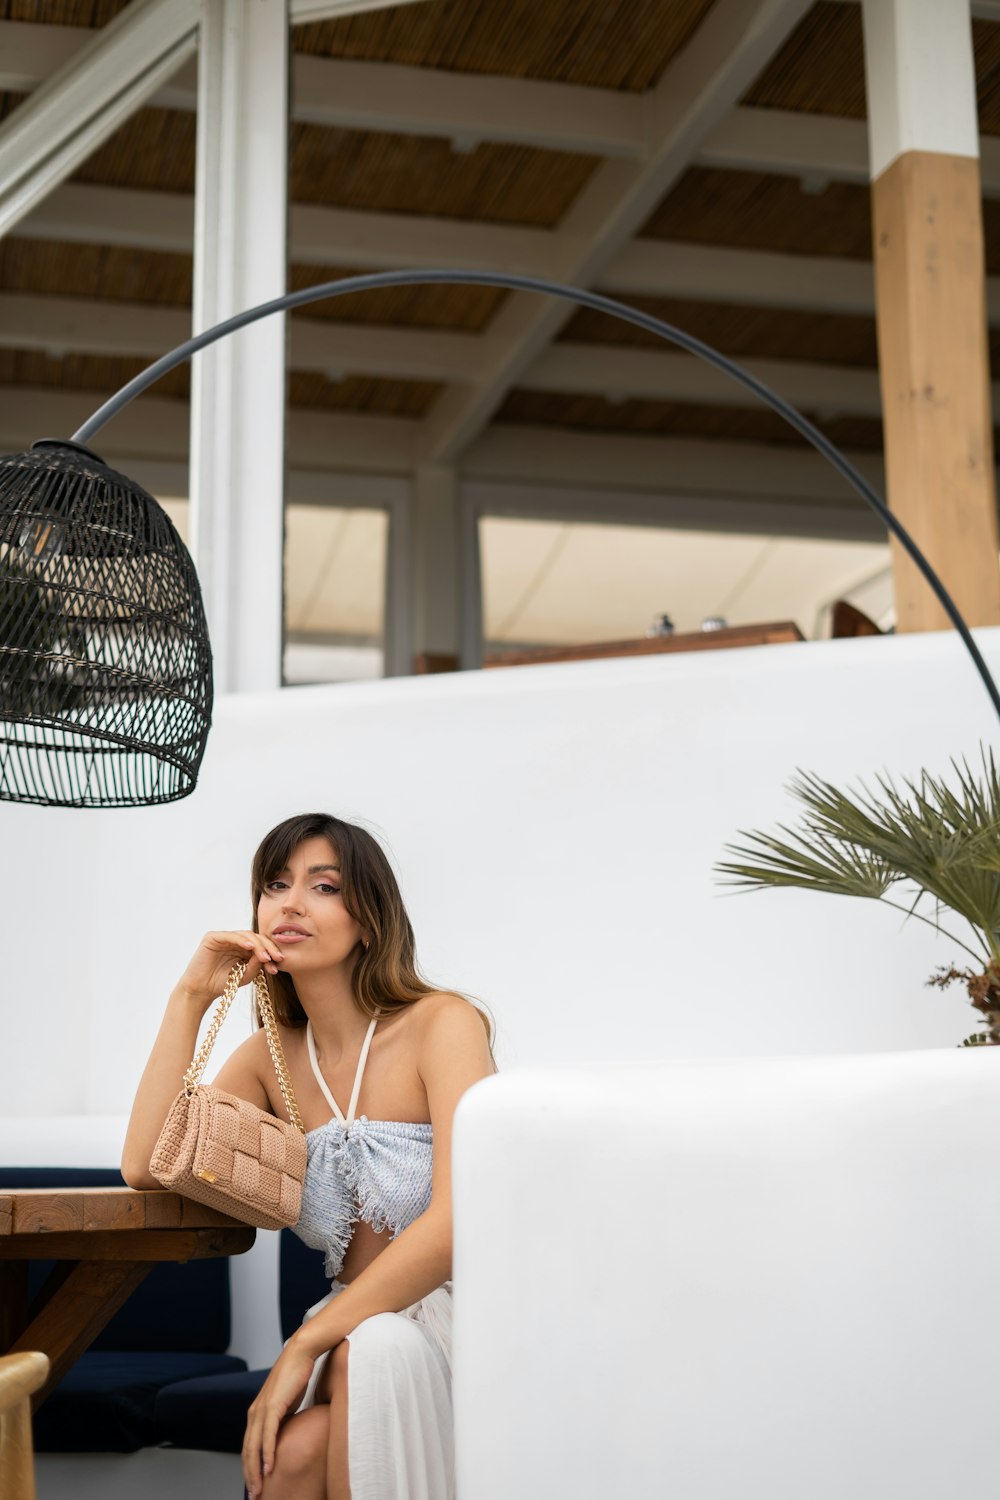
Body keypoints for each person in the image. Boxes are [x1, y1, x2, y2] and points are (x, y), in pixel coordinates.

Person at [122, 812, 496, 1500]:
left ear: (369, 916)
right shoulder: (271, 1057)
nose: (289, 902)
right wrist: (191, 997)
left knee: (363, 1355)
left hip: (450, 1321)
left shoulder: (442, 1023)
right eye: (275, 883)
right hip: (348, 1326)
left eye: (323, 886)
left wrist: (305, 1344)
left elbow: (458, 1223)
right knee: (290, 1456)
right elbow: (146, 1163)